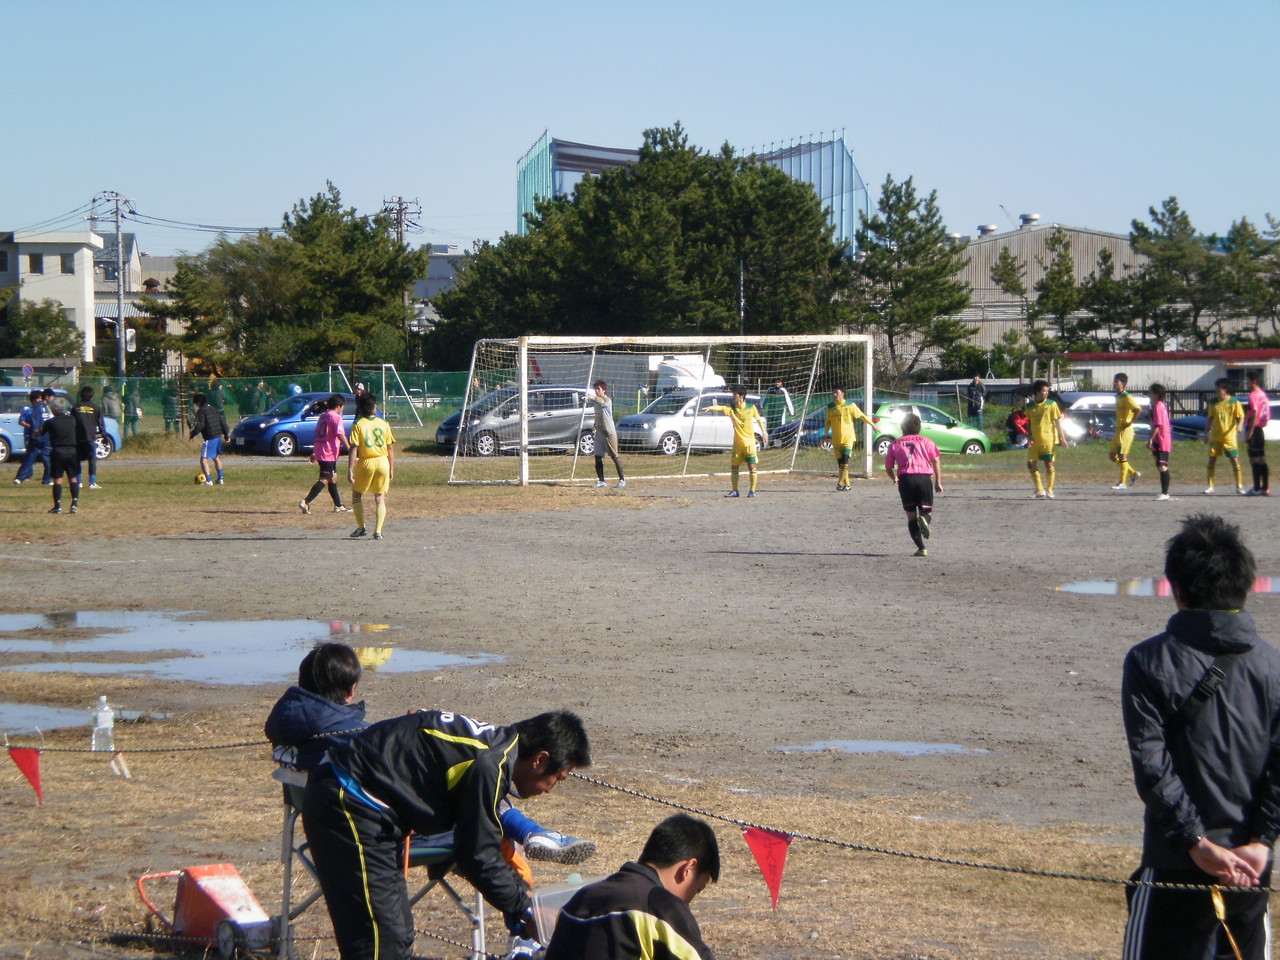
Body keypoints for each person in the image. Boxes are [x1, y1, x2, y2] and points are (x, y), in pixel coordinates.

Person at [300, 709, 591, 960]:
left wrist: (522, 899)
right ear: (540, 759)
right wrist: (527, 910)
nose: (551, 788)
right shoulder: (490, 764)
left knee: (398, 933)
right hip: (348, 802)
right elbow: (477, 854)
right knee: (378, 941)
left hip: (374, 814)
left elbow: (478, 844)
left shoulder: (495, 749)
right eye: (558, 779)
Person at [266, 643, 596, 861]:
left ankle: (534, 833)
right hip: (376, 821)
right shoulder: (345, 735)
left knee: (476, 784)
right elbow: (378, 756)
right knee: (480, 801)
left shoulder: (290, 723)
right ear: (352, 690)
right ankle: (531, 842)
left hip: (314, 815)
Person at [1121, 513, 1280, 960]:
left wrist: (1196, 843)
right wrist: (1261, 842)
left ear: (1177, 586)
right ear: (1244, 583)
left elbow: (1152, 768)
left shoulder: (1148, 660)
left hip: (1175, 862)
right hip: (1249, 868)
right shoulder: (1273, 666)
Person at [544, 813, 718, 960]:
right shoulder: (660, 906)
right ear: (688, 869)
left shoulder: (580, 899)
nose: (688, 903)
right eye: (697, 889)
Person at [884, 413, 943, 557]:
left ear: (902, 427)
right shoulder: (927, 441)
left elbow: (888, 467)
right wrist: (938, 482)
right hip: (924, 478)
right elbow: (935, 461)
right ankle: (925, 520)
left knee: (911, 516)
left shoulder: (895, 443)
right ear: (919, 427)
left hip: (906, 480)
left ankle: (921, 548)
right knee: (926, 512)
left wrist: (894, 479)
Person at [347, 392, 394, 540]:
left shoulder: (358, 424)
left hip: (366, 461)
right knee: (380, 497)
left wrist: (350, 469)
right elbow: (390, 448)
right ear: (374, 407)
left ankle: (362, 528)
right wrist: (392, 468)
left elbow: (353, 447)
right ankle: (378, 532)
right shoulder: (384, 423)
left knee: (356, 495)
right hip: (382, 461)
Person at [705, 387, 767, 498]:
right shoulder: (731, 408)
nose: (733, 397)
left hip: (749, 444)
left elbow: (758, 419)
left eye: (735, 395)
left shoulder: (751, 408)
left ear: (741, 396)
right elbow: (721, 407)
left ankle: (752, 491)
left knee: (751, 467)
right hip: (738, 444)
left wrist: (764, 433)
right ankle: (735, 491)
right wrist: (710, 407)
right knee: (734, 467)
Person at [300, 395, 350, 514]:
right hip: (328, 453)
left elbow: (318, 435)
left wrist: (314, 452)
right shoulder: (336, 418)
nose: (343, 409)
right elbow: (340, 434)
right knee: (324, 479)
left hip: (321, 451)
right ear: (338, 406)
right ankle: (305, 502)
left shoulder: (323, 417)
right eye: (342, 407)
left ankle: (338, 505)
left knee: (333, 477)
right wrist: (350, 448)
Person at [823, 386, 874, 491]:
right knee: (841, 464)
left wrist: (873, 425)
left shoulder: (850, 405)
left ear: (843, 393)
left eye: (837, 392)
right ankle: (848, 484)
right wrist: (826, 435)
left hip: (848, 438)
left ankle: (840, 483)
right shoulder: (830, 407)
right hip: (836, 439)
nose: (835, 395)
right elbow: (827, 422)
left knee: (845, 462)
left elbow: (861, 416)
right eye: (833, 392)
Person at [37, 397, 80, 514]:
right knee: (73, 478)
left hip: (58, 451)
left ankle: (58, 506)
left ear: (55, 409)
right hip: (72, 451)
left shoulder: (51, 422)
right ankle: (74, 504)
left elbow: (41, 432)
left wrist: (35, 433)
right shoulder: (72, 420)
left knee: (58, 479)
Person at [1025, 379, 1067, 499]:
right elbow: (1029, 423)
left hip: (1048, 439)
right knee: (1030, 464)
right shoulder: (1029, 407)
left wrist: (1062, 437)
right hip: (1035, 440)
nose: (1046, 393)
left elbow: (1058, 422)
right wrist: (1029, 437)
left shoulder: (1051, 404)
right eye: (1044, 391)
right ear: (1037, 392)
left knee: (1048, 464)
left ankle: (1049, 490)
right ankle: (1039, 490)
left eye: (1047, 391)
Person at [1203, 378, 1245, 495]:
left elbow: (1241, 416)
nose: (1217, 390)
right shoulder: (1213, 403)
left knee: (1234, 460)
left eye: (1220, 387)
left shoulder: (1234, 402)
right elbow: (1209, 419)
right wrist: (1206, 434)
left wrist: (1240, 425)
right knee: (1212, 460)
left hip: (1229, 436)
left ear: (1226, 389)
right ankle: (1210, 486)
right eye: (1217, 387)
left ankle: (1239, 485)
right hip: (1216, 436)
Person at [585, 380, 625, 489]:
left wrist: (591, 398)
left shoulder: (607, 400)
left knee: (614, 457)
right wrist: (594, 427)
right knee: (597, 457)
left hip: (609, 434)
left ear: (604, 390)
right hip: (599, 433)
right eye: (596, 389)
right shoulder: (596, 404)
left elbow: (601, 402)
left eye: (599, 389)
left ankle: (622, 479)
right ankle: (601, 480)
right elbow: (597, 416)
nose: (597, 391)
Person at [1110, 373, 1143, 490]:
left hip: (1126, 430)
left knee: (1122, 455)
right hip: (1118, 429)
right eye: (1114, 381)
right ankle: (1133, 473)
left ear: (1123, 383)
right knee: (1112, 455)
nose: (1114, 383)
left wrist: (1130, 422)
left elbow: (1138, 409)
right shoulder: (1118, 396)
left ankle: (1122, 482)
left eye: (1116, 381)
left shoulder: (1127, 397)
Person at [189, 391, 228, 486]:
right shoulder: (214, 409)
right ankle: (220, 479)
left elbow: (201, 425)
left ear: (199, 402)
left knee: (203, 459)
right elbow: (222, 422)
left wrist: (192, 434)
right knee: (215, 457)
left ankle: (208, 480)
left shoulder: (201, 411)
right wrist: (226, 434)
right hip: (218, 436)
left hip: (210, 437)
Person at [72, 386, 105, 490]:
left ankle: (78, 482)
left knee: (77, 460)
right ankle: (92, 483)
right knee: (92, 459)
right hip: (90, 436)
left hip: (77, 437)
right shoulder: (96, 408)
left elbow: (72, 422)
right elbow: (100, 424)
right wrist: (104, 435)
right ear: (92, 396)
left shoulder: (76, 407)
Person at [13, 389, 47, 485]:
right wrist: (31, 427)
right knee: (30, 454)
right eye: (38, 398)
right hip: (29, 434)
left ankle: (44, 476)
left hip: (40, 435)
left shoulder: (42, 409)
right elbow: (21, 421)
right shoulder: (27, 409)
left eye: (41, 398)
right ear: (33, 399)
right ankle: (27, 475)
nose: (40, 400)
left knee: (40, 454)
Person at [1244, 371, 1270, 496]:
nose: (1246, 383)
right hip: (1261, 429)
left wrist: (1250, 430)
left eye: (1247, 380)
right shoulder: (1263, 394)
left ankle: (1256, 487)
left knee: (1254, 459)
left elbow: (1254, 412)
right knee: (1261, 459)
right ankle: (1265, 488)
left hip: (1254, 429)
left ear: (1253, 381)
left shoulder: (1253, 395)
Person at [1147, 383, 1172, 502]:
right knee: (1161, 466)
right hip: (1164, 439)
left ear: (1156, 394)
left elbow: (1157, 424)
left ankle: (1165, 493)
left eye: (1151, 392)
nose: (1149, 394)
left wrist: (1151, 439)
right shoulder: (1162, 405)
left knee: (1162, 466)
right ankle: (1164, 492)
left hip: (1160, 440)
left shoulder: (1158, 406)